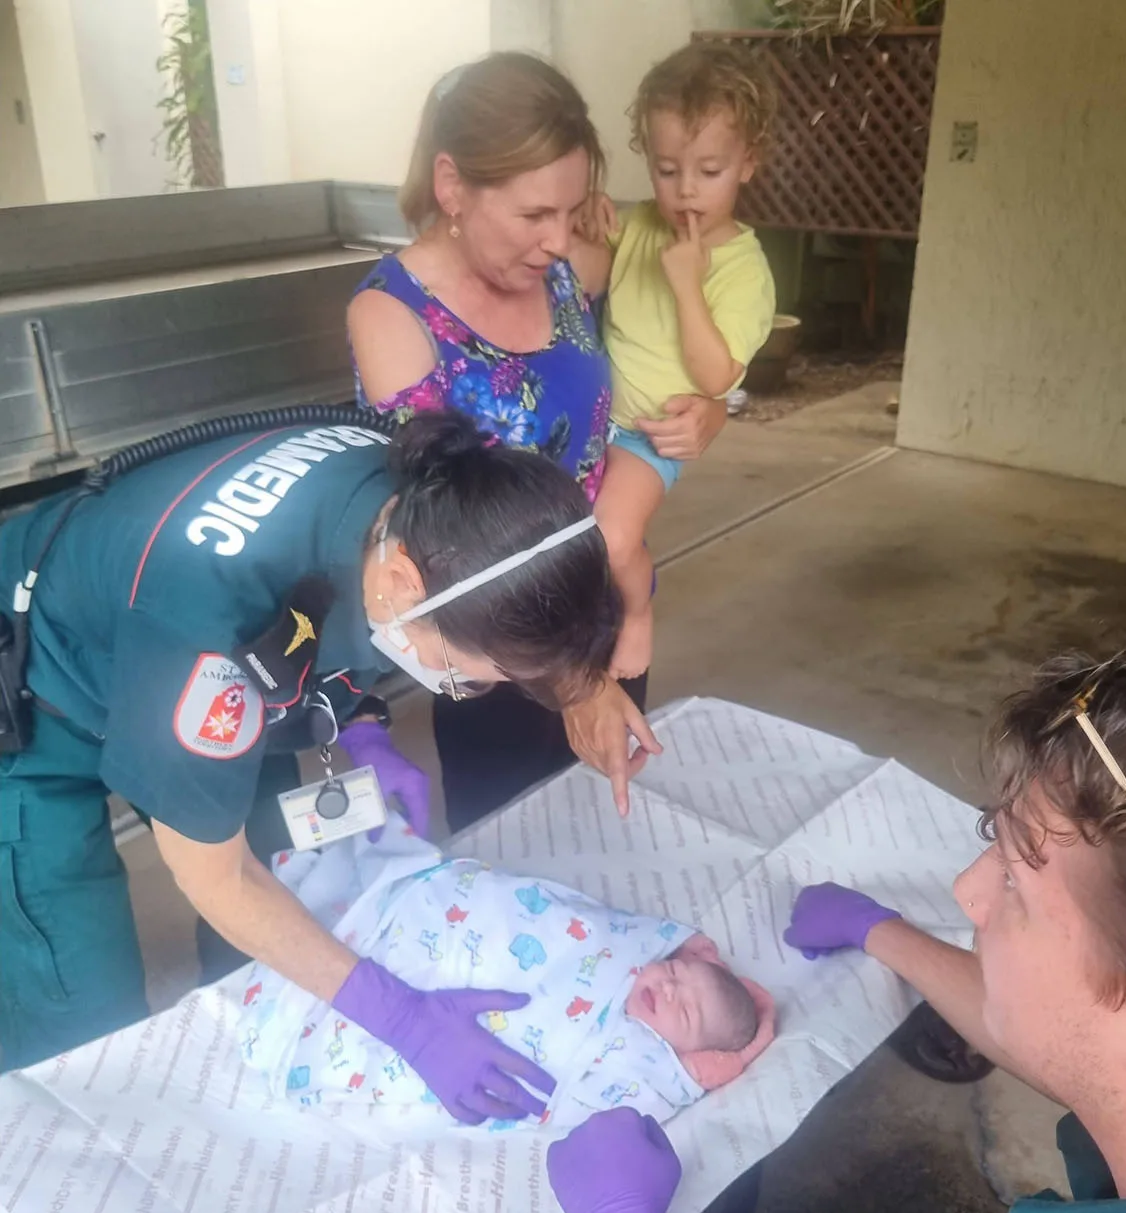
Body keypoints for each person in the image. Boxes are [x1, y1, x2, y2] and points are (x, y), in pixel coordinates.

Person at [546, 633, 1126, 1213]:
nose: (967, 890)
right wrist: (881, 933)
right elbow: (1081, 1040)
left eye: (1019, 889)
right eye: (994, 841)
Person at [0, 410, 618, 1107]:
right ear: (405, 587)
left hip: (152, 637)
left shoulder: (425, 502)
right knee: (81, 1019)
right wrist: (404, 1022)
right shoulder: (208, 634)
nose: (470, 690)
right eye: (468, 675)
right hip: (34, 697)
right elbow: (220, 879)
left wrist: (360, 724)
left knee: (283, 905)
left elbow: (323, 622)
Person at [347, 51, 727, 831]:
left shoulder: (562, 272)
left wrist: (712, 408)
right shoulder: (393, 317)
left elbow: (661, 354)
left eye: (571, 210)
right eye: (533, 215)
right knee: (514, 837)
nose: (558, 239)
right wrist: (577, 687)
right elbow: (447, 528)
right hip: (497, 647)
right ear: (452, 186)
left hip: (604, 604)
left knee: (605, 821)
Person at [238, 824, 775, 1125]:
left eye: (683, 1009)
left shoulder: (634, 1065)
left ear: (686, 1057)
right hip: (437, 919)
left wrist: (725, 1061)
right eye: (677, 972)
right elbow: (587, 921)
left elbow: (637, 1109)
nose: (667, 987)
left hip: (445, 1006)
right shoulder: (631, 952)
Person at [579, 42, 777, 678]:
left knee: (611, 541)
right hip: (590, 418)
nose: (686, 190)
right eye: (667, 170)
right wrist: (583, 220)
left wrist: (689, 284)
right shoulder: (640, 225)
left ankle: (637, 613)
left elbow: (717, 377)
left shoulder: (744, 269)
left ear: (749, 163)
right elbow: (583, 272)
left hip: (648, 437)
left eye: (709, 170)